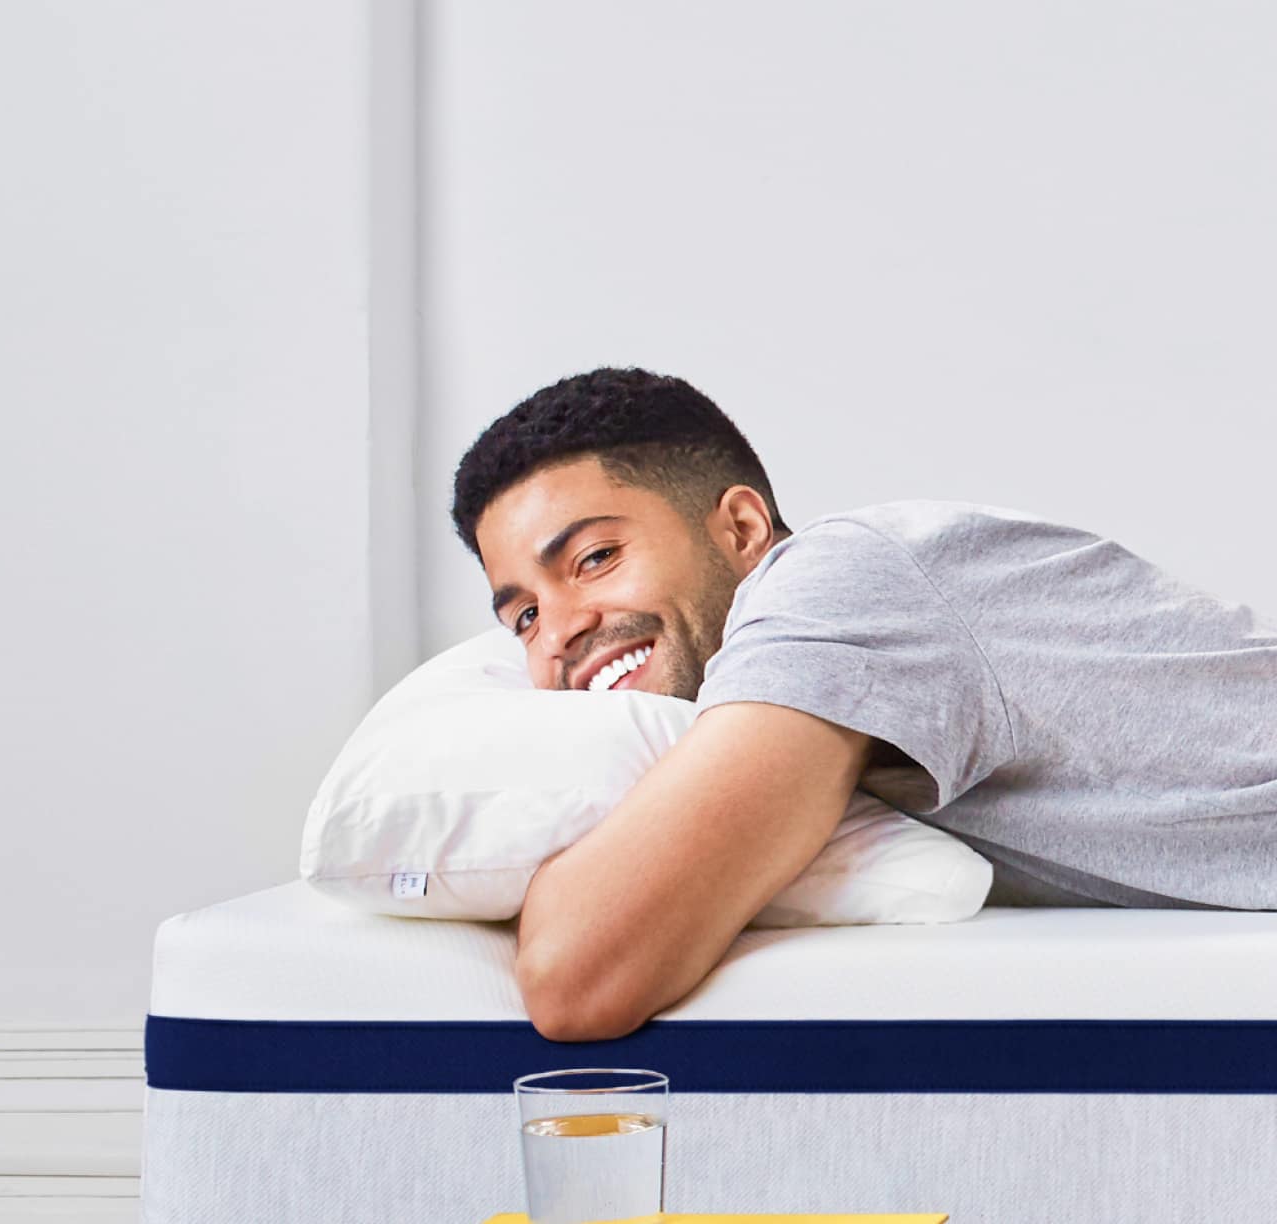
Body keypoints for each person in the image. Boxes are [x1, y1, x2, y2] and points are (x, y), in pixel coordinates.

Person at [453, 365, 1277, 1041]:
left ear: (741, 530)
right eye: (523, 614)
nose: (559, 630)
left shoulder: (834, 583)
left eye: (596, 557)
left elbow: (579, 977)